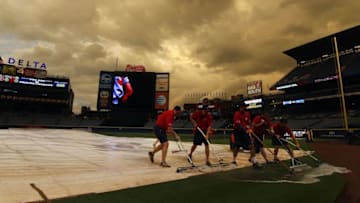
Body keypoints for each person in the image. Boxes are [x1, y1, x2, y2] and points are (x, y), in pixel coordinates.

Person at [231, 102, 260, 168]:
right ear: (240, 108)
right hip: (238, 132)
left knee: (251, 145)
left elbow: (249, 122)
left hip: (245, 132)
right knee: (236, 147)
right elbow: (238, 125)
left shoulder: (247, 114)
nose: (243, 108)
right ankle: (234, 160)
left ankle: (254, 161)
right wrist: (246, 129)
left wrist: (251, 128)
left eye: (244, 107)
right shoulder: (236, 114)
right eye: (242, 107)